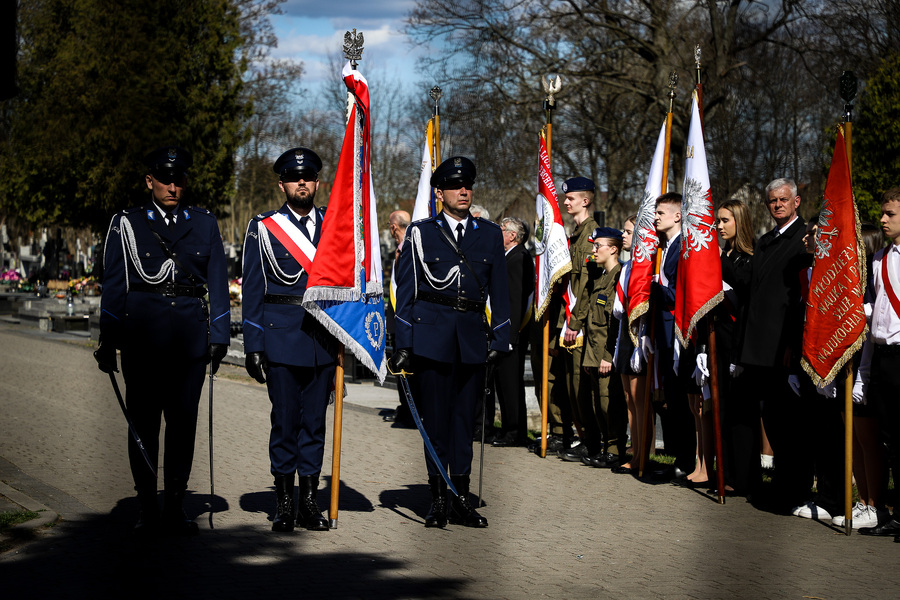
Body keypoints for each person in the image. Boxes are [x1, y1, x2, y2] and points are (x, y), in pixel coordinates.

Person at [95, 146, 230, 536]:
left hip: (189, 338)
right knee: (144, 424)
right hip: (143, 338)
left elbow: (218, 282)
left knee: (183, 423)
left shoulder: (204, 223)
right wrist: (109, 338)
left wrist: (219, 335)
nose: (173, 186)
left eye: (180, 179)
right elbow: (115, 285)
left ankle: (174, 504)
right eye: (165, 179)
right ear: (149, 181)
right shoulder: (128, 223)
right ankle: (146, 505)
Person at [391, 156, 511, 528]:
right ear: (439, 192)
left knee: (464, 424)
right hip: (431, 337)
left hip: (472, 338)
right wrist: (404, 342)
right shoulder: (421, 233)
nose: (464, 191)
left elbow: (501, 292)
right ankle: (439, 498)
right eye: (456, 186)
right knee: (436, 422)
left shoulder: (489, 234)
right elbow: (407, 291)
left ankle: (461, 497)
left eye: (468, 185)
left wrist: (502, 336)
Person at [241, 146, 337, 533]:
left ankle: (309, 502)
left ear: (317, 182)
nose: (302, 182)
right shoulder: (263, 227)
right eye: (295, 178)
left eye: (308, 177)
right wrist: (253, 345)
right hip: (281, 338)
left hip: (323, 340)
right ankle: (283, 502)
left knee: (314, 423)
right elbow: (252, 289)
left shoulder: (337, 225)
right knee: (285, 421)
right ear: (282, 184)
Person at [737, 178, 811, 514]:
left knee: (789, 424)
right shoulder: (766, 241)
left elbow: (800, 299)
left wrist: (791, 345)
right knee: (769, 418)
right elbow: (753, 290)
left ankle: (793, 489)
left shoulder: (805, 240)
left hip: (783, 344)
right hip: (758, 347)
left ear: (796, 201)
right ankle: (776, 485)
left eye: (783, 200)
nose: (777, 205)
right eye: (772, 201)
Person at [833, 223, 888, 528]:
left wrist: (864, 376)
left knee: (868, 440)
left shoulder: (873, 282)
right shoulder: (851, 281)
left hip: (865, 367)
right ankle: (862, 499)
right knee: (852, 436)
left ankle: (875, 504)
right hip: (848, 366)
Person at [857, 188, 900, 540]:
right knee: (892, 439)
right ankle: (896, 513)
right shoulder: (879, 259)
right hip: (884, 357)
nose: (882, 220)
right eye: (883, 214)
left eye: (890, 214)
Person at [651, 192, 696, 478]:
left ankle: (687, 461)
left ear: (678, 215)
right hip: (662, 332)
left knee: (682, 399)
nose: (655, 217)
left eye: (661, 213)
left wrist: (656, 289)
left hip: (678, 331)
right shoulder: (662, 247)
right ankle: (681, 458)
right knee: (672, 399)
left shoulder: (683, 247)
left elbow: (683, 294)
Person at [712, 199, 755, 495]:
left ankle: (746, 479)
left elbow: (743, 286)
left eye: (725, 220)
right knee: (722, 413)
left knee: (741, 418)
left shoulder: (749, 257)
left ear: (739, 222)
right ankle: (725, 474)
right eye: (718, 220)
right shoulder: (725, 254)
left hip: (740, 346)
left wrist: (716, 260)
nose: (719, 226)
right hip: (719, 342)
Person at [558, 177, 601, 464]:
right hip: (573, 318)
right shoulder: (577, 233)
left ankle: (593, 442)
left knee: (581, 385)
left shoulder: (591, 235)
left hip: (582, 321)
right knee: (573, 384)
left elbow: (585, 284)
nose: (565, 202)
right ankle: (585, 437)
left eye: (570, 198)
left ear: (585, 201)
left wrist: (575, 322)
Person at [581, 227, 627, 467]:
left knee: (609, 402)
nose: (594, 250)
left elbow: (615, 324)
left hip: (606, 355)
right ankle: (606, 446)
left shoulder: (619, 277)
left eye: (598, 245)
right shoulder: (600, 278)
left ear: (614, 249)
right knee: (598, 402)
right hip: (594, 354)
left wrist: (608, 356)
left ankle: (615, 449)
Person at [491, 217, 534, 447]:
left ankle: (514, 432)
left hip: (511, 333)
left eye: (502, 229)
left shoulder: (519, 258)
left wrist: (510, 335)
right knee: (503, 383)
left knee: (511, 384)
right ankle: (509, 428)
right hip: (504, 331)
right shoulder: (509, 256)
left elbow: (517, 300)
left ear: (513, 236)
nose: (499, 231)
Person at [611, 215, 646, 474]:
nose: (623, 236)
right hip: (625, 332)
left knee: (638, 397)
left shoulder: (645, 266)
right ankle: (635, 452)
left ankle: (643, 455)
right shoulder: (627, 266)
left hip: (640, 332)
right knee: (628, 398)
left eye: (628, 231)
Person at [383, 210, 413, 427]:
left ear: (394, 227)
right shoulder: (399, 251)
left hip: (408, 321)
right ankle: (406, 408)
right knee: (400, 370)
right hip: (397, 320)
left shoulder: (409, 251)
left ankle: (412, 412)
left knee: (408, 369)